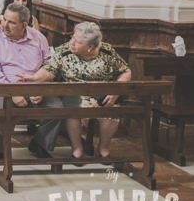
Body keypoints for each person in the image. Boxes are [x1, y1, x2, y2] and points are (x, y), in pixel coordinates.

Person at [19, 21, 131, 159]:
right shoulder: (64, 51)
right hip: (74, 94)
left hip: (101, 92)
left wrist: (115, 91)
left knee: (112, 110)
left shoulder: (107, 52)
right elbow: (50, 70)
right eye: (72, 38)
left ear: (90, 47)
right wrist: (34, 78)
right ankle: (77, 149)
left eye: (77, 41)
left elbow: (125, 71)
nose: (71, 42)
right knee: (73, 110)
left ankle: (104, 149)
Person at [0, 3, 60, 158]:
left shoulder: (38, 38)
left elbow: (50, 65)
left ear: (24, 25)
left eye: (11, 22)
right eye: (4, 19)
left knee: (57, 108)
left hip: (35, 86)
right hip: (4, 88)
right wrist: (11, 93)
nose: (5, 25)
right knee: (1, 110)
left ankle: (39, 144)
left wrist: (41, 87)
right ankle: (2, 148)